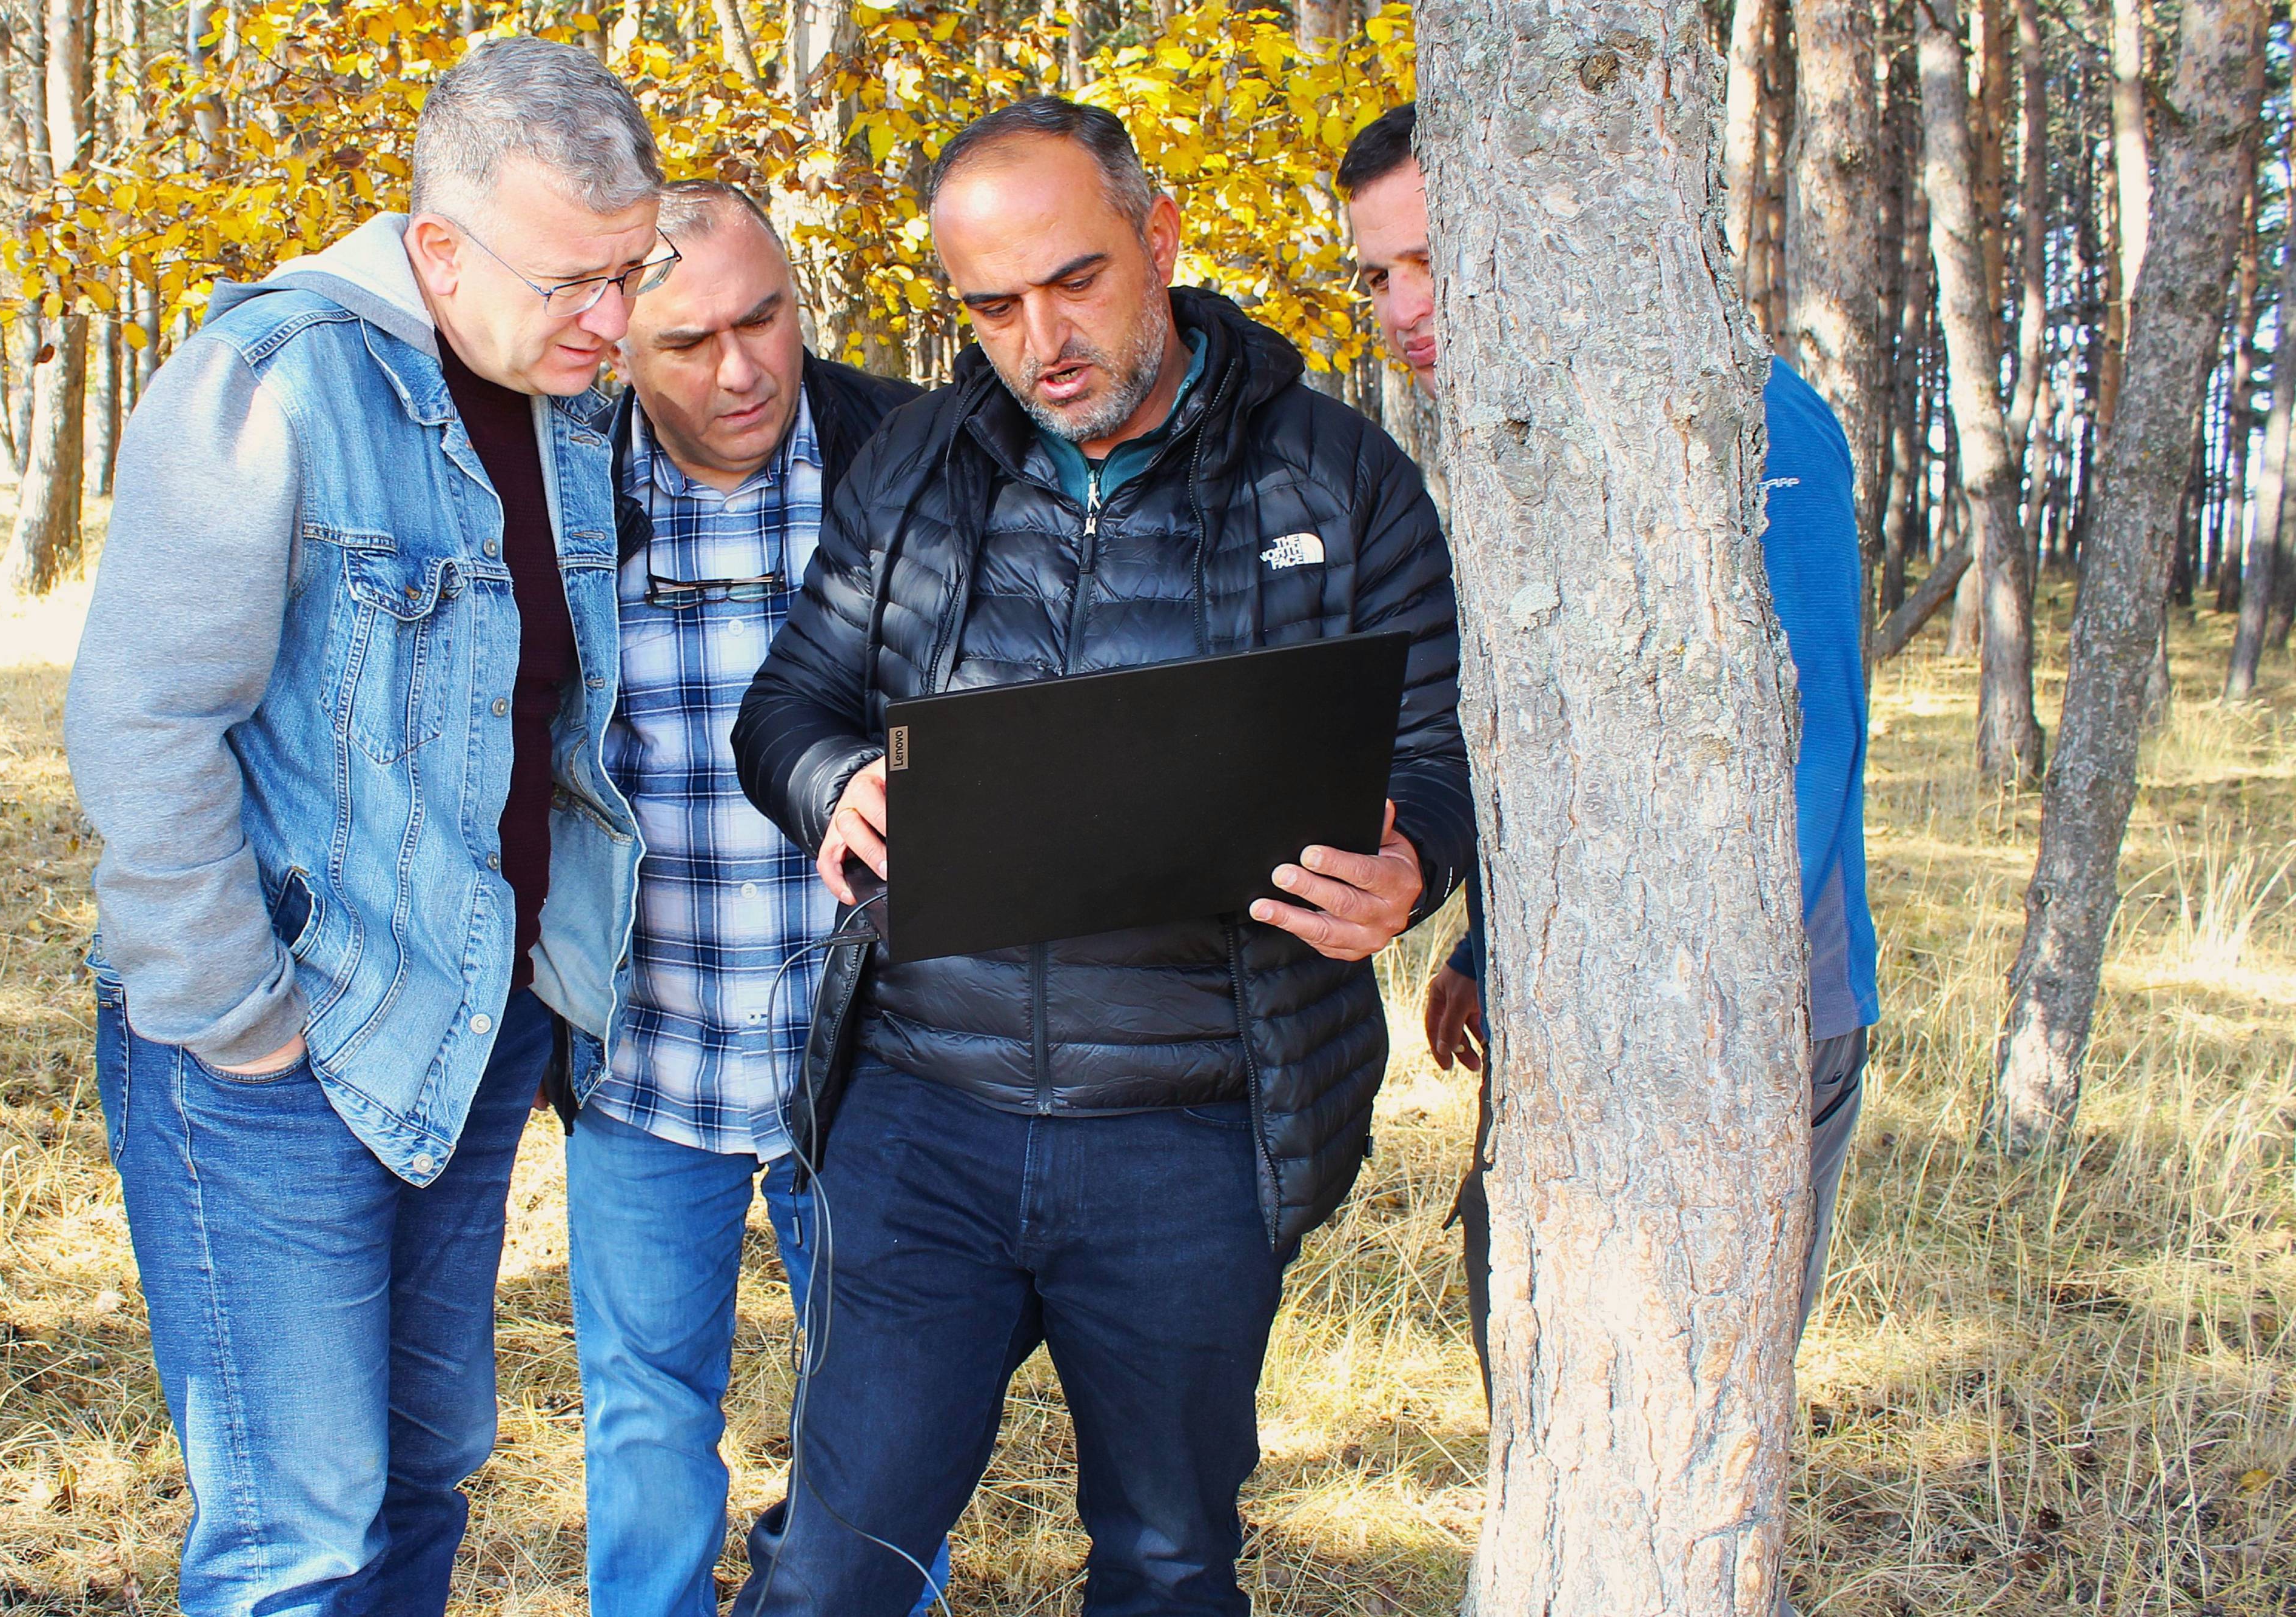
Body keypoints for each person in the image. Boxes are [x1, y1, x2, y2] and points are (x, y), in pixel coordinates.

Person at [727, 97, 1472, 1616]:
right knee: (835, 1561)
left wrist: (1412, 869)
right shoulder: (918, 468)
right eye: (991, 307)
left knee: (1167, 1557)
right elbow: (785, 705)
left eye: (1074, 281)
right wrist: (830, 781)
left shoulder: (1334, 478)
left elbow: (1435, 752)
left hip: (1197, 1122)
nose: (1040, 340)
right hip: (923, 1111)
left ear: (1160, 239)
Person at [61, 39, 667, 1615]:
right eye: (573, 282)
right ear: (440, 249)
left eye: (632, 271)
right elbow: (143, 717)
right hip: (286, 1042)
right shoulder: (272, 381)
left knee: (422, 1469)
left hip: (474, 1028)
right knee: (300, 1532)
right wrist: (236, 1014)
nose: (613, 320)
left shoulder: (566, 403)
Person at [1339, 101, 1880, 1409]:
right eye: (1378, 275)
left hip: (1735, 1013)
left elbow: (1808, 738)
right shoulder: (1522, 434)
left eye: (1433, 259)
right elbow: (1559, 742)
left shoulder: (1744, 413)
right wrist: (1493, 949)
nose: (1404, 307)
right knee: (1536, 1370)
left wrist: (1700, 1011)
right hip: (1576, 1004)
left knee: (1683, 1408)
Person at [563, 179, 939, 1617]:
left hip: (877, 1058)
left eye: (764, 317)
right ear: (614, 340)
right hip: (643, 1056)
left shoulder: (911, 456)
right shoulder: (563, 487)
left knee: (881, 1418)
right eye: (688, 341)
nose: (741, 368)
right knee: (646, 1412)